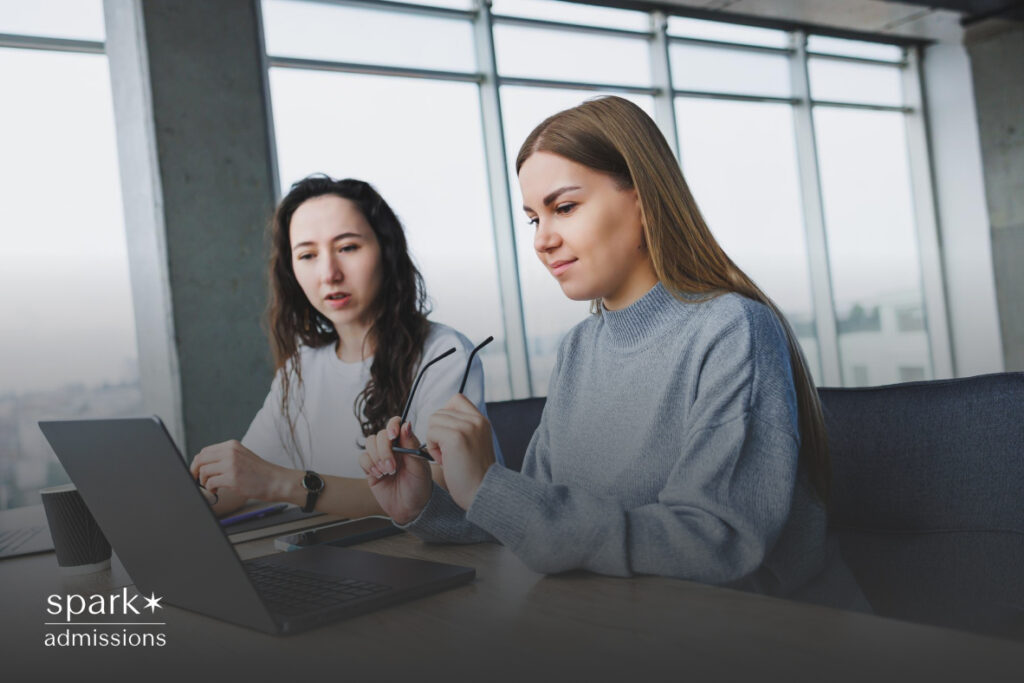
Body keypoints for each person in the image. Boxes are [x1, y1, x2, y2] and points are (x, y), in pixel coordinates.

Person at [360, 97, 868, 609]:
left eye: (564, 207)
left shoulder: (733, 328)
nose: (543, 240)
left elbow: (716, 543)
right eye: (533, 219)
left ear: (644, 201)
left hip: (767, 638)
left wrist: (490, 487)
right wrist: (427, 505)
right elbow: (540, 518)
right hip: (629, 624)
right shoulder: (580, 348)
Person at [190, 175, 499, 518]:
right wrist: (172, 506)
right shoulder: (301, 368)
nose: (329, 273)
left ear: (387, 251)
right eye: (307, 254)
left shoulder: (443, 352)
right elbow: (243, 482)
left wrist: (280, 483)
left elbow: (440, 492)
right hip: (329, 557)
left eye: (348, 247)